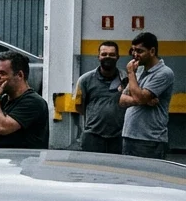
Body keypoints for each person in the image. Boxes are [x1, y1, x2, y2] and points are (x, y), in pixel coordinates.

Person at [0, 51, 49, 149]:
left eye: (2, 73)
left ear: (20, 75)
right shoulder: (1, 101)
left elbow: (1, 128)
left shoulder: (34, 102)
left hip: (22, 162)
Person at [119, 31, 176, 160]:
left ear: (152, 51)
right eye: (133, 50)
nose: (135, 55)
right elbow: (122, 100)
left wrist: (130, 74)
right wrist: (143, 100)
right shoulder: (139, 70)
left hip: (149, 139)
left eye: (139, 51)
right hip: (129, 135)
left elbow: (139, 97)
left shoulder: (164, 73)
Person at [75, 41, 127, 154]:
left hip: (119, 137)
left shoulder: (126, 79)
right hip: (92, 137)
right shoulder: (85, 80)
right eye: (104, 54)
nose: (107, 57)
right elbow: (79, 106)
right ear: (98, 57)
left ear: (118, 57)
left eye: (112, 54)